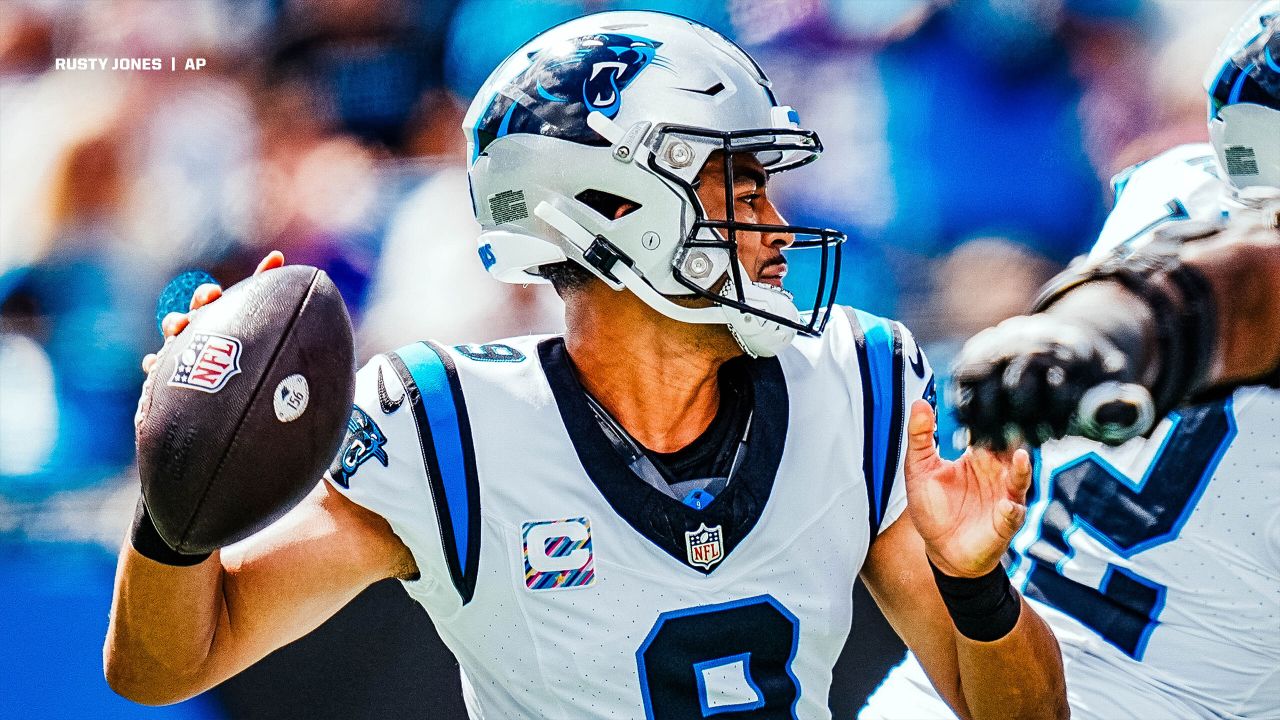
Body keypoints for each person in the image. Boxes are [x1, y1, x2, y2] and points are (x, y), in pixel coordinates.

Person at [104, 12, 1067, 719]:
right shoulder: (448, 426)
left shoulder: (858, 381)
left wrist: (976, 583)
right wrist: (178, 489)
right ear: (613, 207)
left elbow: (1021, 718)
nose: (775, 229)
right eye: (738, 188)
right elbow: (166, 668)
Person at [863, 3, 1280, 718]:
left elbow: (1204, 290)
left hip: (946, 690)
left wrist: (1082, 336)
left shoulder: (1172, 187)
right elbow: (1241, 293)